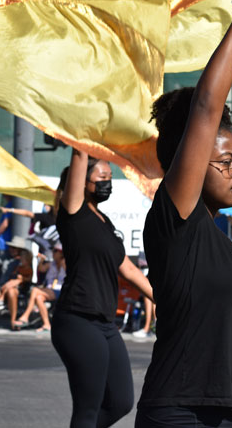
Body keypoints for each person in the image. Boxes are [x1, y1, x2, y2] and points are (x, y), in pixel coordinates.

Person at [135, 0, 232, 428]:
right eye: (226, 161)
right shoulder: (176, 221)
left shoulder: (220, 242)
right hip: (180, 411)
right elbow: (207, 109)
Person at [52, 149, 154, 428]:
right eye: (102, 176)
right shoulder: (73, 212)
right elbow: (79, 156)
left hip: (106, 324)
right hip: (78, 320)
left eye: (110, 177)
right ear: (82, 181)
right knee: (88, 407)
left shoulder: (104, 222)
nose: (108, 182)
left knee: (121, 402)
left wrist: (165, 301)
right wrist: (82, 142)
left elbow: (129, 270)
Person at [14, 242, 65, 332]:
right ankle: (46, 324)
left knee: (35, 290)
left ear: (61, 253)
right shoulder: (51, 264)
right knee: (39, 297)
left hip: (60, 290)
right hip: (49, 290)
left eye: (55, 251)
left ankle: (26, 316)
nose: (53, 253)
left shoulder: (65, 263)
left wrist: (61, 262)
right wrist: (41, 260)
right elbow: (41, 269)